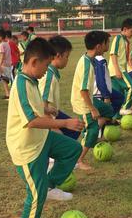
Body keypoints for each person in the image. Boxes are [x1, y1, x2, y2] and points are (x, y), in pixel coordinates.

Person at [6, 37, 83, 218]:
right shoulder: (21, 83)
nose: (46, 70)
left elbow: (33, 106)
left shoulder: (30, 80)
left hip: (42, 139)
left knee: (73, 150)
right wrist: (64, 122)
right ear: (33, 62)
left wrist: (45, 108)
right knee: (35, 193)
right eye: (45, 65)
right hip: (26, 148)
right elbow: (30, 120)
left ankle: (50, 186)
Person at [72, 30, 110, 170]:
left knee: (109, 109)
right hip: (83, 102)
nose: (108, 46)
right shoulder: (87, 64)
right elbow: (83, 90)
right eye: (107, 43)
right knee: (93, 130)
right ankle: (78, 160)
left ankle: (90, 135)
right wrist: (93, 109)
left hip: (89, 99)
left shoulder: (89, 59)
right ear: (99, 46)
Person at [38, 36, 79, 140]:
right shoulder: (49, 77)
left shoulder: (51, 73)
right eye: (67, 56)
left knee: (76, 128)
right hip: (45, 120)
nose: (67, 60)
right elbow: (42, 108)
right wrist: (55, 128)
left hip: (52, 113)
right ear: (58, 56)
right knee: (68, 142)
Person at [108, 18, 132, 115]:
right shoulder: (118, 38)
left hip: (120, 70)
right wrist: (117, 70)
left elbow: (125, 58)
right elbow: (113, 54)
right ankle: (125, 108)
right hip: (117, 70)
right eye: (131, 31)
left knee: (119, 95)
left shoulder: (126, 41)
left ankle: (115, 117)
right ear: (125, 29)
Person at [93, 53, 124, 119]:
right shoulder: (100, 60)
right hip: (100, 92)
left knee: (119, 97)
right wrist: (106, 96)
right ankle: (106, 119)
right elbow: (100, 80)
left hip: (104, 90)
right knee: (101, 115)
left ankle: (108, 118)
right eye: (107, 42)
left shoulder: (94, 58)